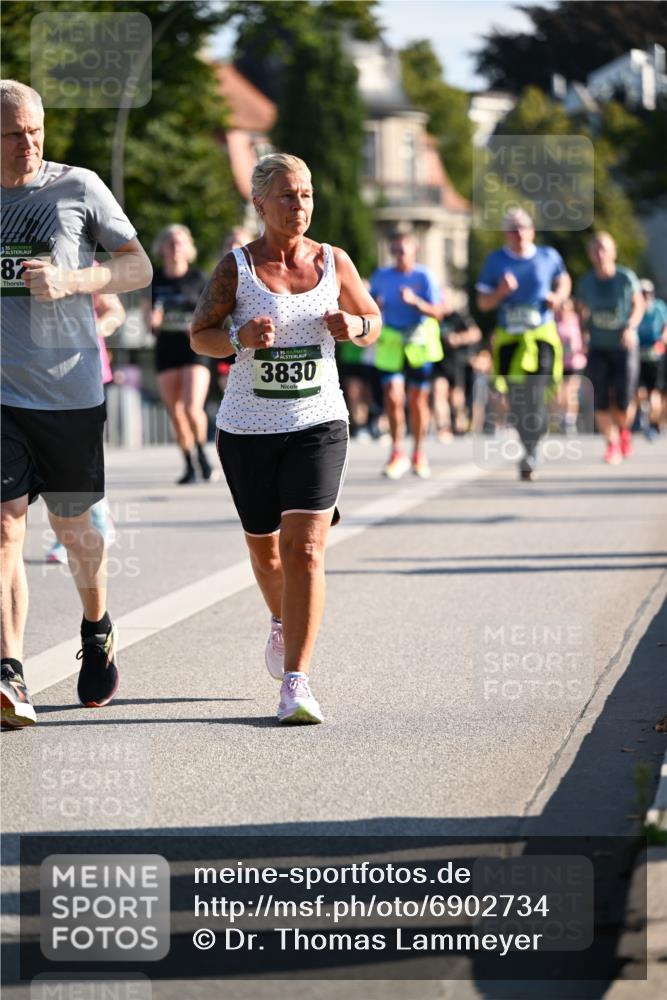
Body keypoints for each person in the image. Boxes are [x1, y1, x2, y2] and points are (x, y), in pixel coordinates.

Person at [190, 153, 380, 725]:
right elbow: (199, 336)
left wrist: (358, 327)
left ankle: (296, 684)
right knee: (266, 549)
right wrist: (237, 336)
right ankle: (281, 618)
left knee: (305, 549)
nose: (300, 206)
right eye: (287, 196)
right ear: (260, 204)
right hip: (247, 428)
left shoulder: (333, 261)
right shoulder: (236, 268)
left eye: (306, 195)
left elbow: (374, 320)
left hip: (319, 422)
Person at [0, 80, 153, 728]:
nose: (29, 142)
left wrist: (73, 279)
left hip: (68, 390)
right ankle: (9, 670)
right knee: (5, 526)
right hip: (2, 392)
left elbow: (138, 266)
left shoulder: (78, 187)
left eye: (36, 129)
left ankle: (96, 625)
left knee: (76, 532)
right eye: (14, 132)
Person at [476, 207, 571, 481]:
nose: (518, 233)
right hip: (509, 339)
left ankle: (532, 448)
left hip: (540, 336)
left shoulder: (547, 256)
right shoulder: (495, 261)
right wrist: (500, 292)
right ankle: (529, 449)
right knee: (516, 399)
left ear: (532, 230)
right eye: (512, 228)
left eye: (522, 227)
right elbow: (483, 303)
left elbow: (564, 280)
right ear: (505, 233)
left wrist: (558, 297)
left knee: (536, 392)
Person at [46, 279, 124, 564]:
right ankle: (86, 524)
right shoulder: (19, 257)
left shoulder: (84, 263)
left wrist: (91, 332)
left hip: (83, 370)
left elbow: (115, 312)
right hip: (35, 375)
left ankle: (93, 522)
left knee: (79, 456)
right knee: (56, 456)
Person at [370, 232, 446, 479]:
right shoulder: (381, 276)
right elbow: (368, 306)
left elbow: (438, 312)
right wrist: (376, 306)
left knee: (417, 400)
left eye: (404, 250)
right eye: (396, 250)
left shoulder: (424, 276)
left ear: (414, 250)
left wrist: (415, 302)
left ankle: (419, 452)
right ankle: (396, 451)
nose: (400, 255)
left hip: (417, 342)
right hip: (391, 342)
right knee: (392, 396)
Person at [150, 224, 213, 484]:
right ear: (162, 248)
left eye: (180, 242)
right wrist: (151, 318)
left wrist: (198, 325)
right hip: (166, 348)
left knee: (191, 407)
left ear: (188, 249)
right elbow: (147, 313)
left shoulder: (199, 278)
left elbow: (212, 312)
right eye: (170, 242)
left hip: (194, 349)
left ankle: (202, 454)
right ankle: (188, 463)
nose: (175, 247)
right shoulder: (155, 280)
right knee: (175, 412)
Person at [575, 232, 644, 464]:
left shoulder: (626, 278)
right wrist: (583, 334)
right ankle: (612, 443)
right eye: (595, 249)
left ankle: (624, 431)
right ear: (590, 254)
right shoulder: (586, 282)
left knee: (624, 398)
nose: (600, 253)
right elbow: (581, 311)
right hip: (598, 347)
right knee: (600, 398)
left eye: (604, 248)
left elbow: (638, 305)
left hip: (624, 346)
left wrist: (631, 327)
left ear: (613, 252)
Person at [432, 305, 482, 439]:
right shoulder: (433, 316)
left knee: (456, 397)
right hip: (438, 361)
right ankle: (443, 427)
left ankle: (459, 423)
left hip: (456, 362)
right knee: (438, 393)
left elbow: (476, 333)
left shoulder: (459, 316)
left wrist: (457, 339)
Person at [635, 279, 667, 440]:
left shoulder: (659, 307)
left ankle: (653, 424)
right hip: (638, 355)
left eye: (646, 293)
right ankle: (645, 419)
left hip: (655, 356)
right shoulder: (635, 308)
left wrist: (661, 341)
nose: (645, 296)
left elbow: (665, 328)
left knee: (655, 392)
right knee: (640, 391)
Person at [553, 298, 586, 435]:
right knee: (559, 393)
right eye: (561, 307)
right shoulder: (554, 321)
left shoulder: (577, 320)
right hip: (559, 363)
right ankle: (560, 417)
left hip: (574, 362)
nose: (563, 310)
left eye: (566, 307)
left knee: (572, 392)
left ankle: (570, 420)